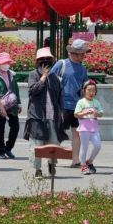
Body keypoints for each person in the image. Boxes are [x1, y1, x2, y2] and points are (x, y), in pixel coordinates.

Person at [24, 47, 68, 179]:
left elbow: (60, 95)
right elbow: (32, 90)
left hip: (52, 116)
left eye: (48, 60)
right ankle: (37, 169)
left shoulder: (55, 77)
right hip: (37, 116)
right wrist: (43, 77)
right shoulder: (33, 75)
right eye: (42, 60)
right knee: (37, 145)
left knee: (54, 143)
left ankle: (51, 163)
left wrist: (61, 111)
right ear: (37, 62)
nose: (45, 62)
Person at [52, 39, 90, 167]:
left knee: (77, 132)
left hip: (78, 106)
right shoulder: (61, 64)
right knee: (60, 131)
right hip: (63, 105)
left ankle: (75, 159)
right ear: (74, 52)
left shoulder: (83, 69)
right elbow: (51, 81)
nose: (84, 55)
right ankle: (52, 157)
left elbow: (85, 87)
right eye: (82, 53)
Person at [0, 52, 21, 160]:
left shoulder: (12, 74)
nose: (6, 64)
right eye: (4, 62)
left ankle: (8, 148)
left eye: (7, 62)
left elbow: (16, 89)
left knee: (15, 127)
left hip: (12, 105)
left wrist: (19, 103)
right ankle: (0, 150)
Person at [75, 80, 103, 175]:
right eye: (89, 90)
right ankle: (83, 166)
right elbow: (76, 114)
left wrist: (96, 113)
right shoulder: (81, 102)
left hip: (94, 128)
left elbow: (100, 114)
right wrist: (85, 113)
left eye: (93, 91)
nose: (91, 93)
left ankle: (90, 160)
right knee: (84, 147)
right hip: (84, 128)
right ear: (84, 91)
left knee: (98, 145)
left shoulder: (97, 102)